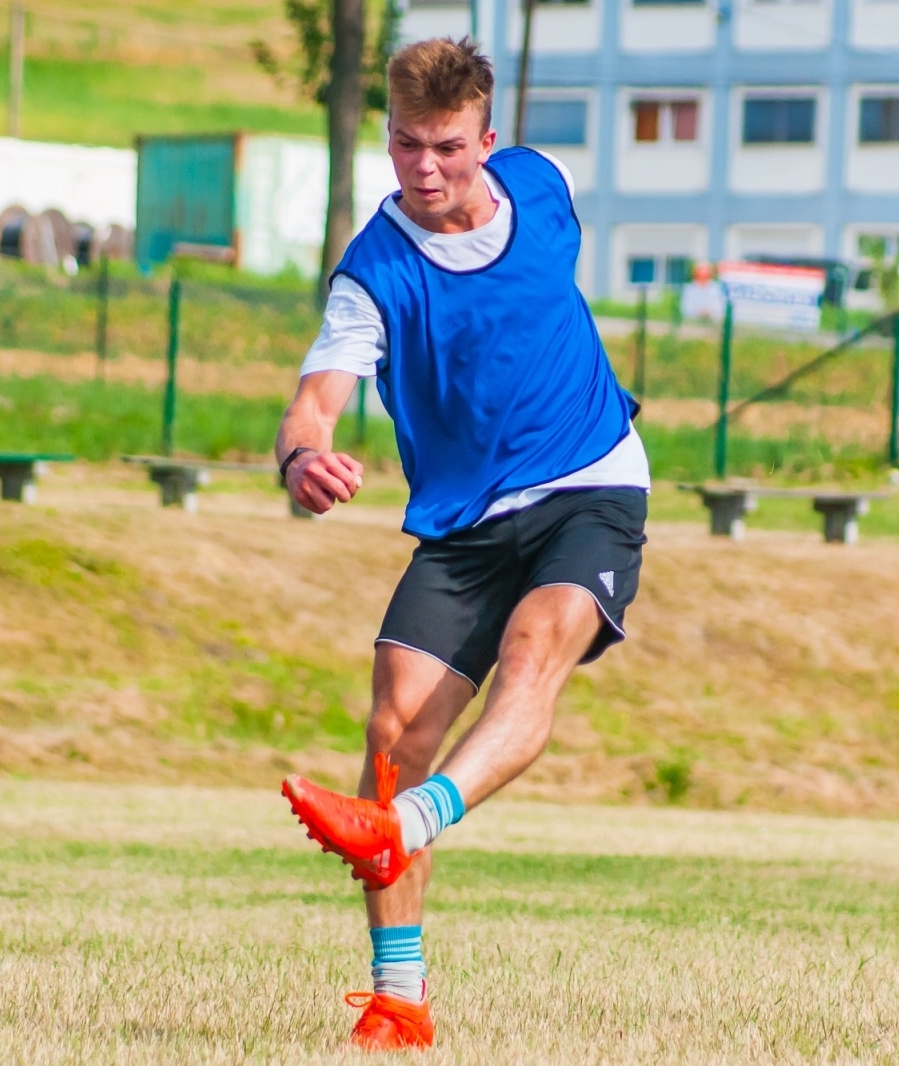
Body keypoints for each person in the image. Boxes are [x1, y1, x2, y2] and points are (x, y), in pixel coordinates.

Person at [275, 37, 650, 1051]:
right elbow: (315, 401)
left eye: (445, 146)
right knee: (393, 734)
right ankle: (399, 999)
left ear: (488, 140)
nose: (424, 168)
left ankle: (404, 825)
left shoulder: (544, 187)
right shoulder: (373, 273)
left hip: (589, 482)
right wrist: (302, 460)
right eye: (404, 145)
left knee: (534, 656)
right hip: (463, 520)